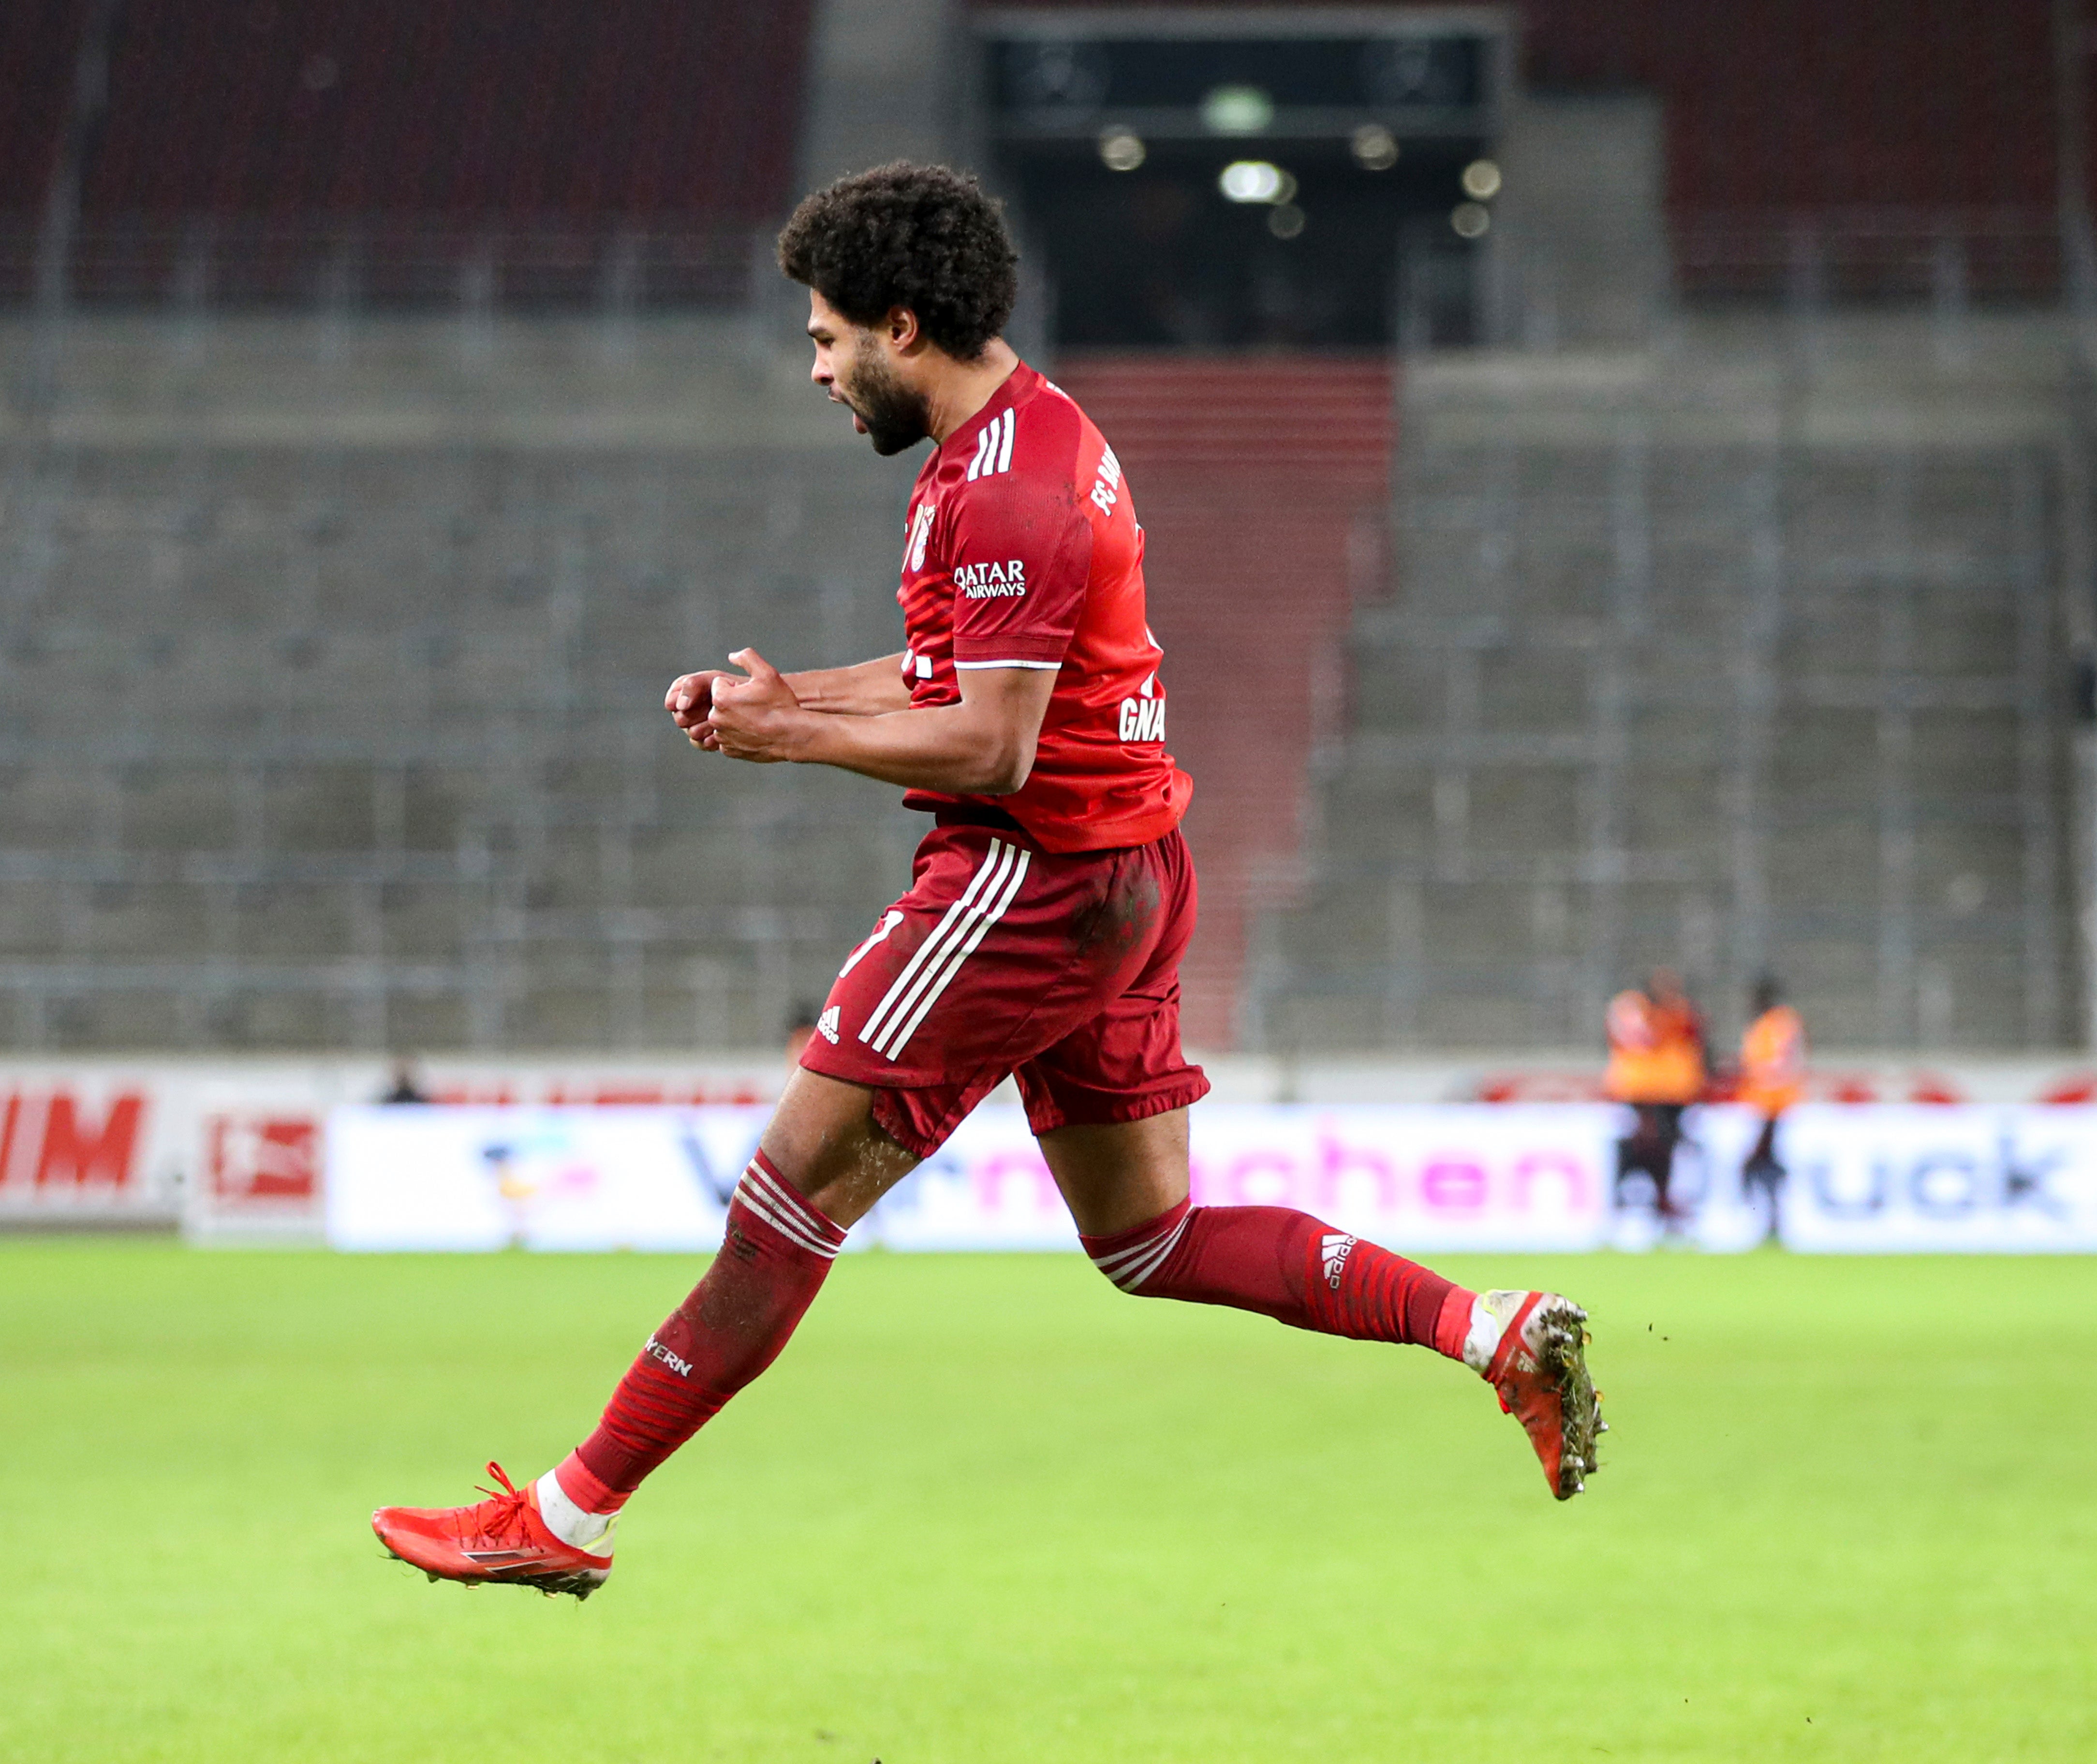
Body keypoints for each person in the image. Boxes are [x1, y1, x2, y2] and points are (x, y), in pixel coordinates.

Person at [370, 162, 1603, 1600]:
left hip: (1027, 882)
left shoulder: (1007, 491)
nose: (817, 367)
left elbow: (993, 740)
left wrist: (791, 741)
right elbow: (971, 673)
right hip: (1126, 871)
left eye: (830, 337)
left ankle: (569, 1513)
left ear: (904, 324)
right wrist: (795, 693)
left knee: (783, 1201)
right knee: (1151, 1239)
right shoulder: (1036, 434)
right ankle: (1491, 1329)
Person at [1605, 969, 1707, 1229]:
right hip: (1642, 1092)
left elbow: (1695, 1037)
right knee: (1650, 1143)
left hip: (1673, 1094)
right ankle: (1650, 1199)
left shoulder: (1680, 1011)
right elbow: (1644, 1038)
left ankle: (1661, 1199)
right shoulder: (1634, 1008)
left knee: (1666, 1147)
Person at [1735, 976, 1805, 1243]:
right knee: (1764, 1161)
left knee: (1758, 1160)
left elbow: (1783, 1061)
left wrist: (1763, 1076)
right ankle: (1770, 1215)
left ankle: (1768, 1214)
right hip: (1763, 1103)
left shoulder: (1780, 1022)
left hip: (1776, 1103)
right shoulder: (1765, 1025)